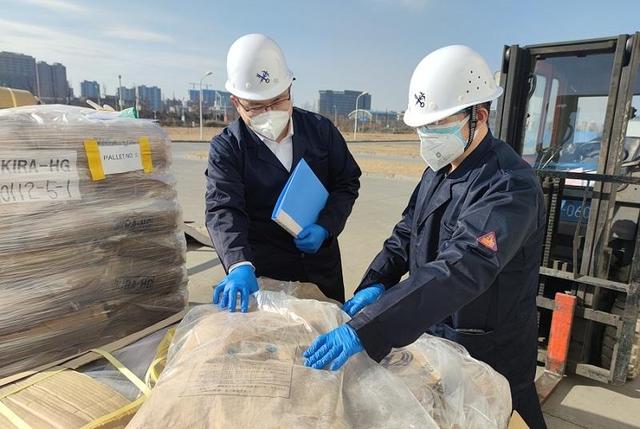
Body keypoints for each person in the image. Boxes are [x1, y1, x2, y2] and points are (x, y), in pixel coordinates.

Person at [303, 45, 547, 428]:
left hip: (489, 346)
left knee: (503, 416)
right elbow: (405, 234)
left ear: (477, 117)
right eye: (422, 126)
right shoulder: (440, 168)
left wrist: (370, 327)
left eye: (437, 125)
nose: (426, 136)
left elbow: (462, 267)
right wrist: (376, 283)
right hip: (436, 331)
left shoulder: (509, 185)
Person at [206, 33, 361, 312]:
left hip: (320, 267)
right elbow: (223, 209)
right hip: (264, 271)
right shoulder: (228, 147)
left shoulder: (320, 131)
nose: (270, 111)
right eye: (256, 106)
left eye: (278, 100)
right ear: (235, 102)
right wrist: (239, 264)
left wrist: (326, 225)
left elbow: (347, 182)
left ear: (290, 88)